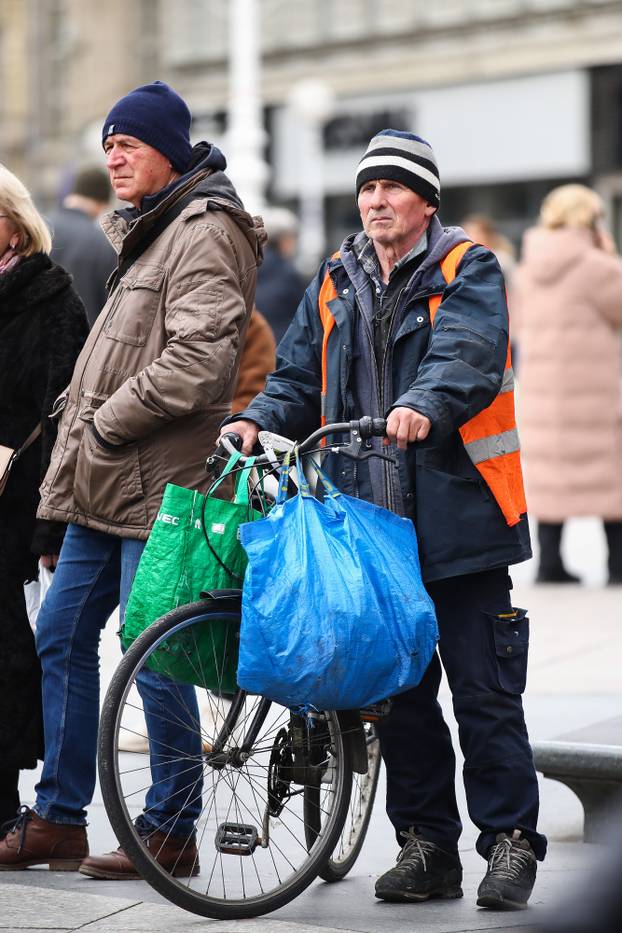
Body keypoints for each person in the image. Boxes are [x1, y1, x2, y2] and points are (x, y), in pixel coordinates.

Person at [221, 129, 546, 910]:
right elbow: (297, 371)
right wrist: (256, 418)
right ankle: (426, 844)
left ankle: (508, 843)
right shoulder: (336, 279)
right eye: (367, 189)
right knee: (400, 697)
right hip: (367, 524)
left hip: (460, 521)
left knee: (484, 693)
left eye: (392, 187)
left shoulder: (469, 267)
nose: (376, 201)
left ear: (425, 199)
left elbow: (466, 353)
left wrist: (419, 405)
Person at [0, 81, 264, 874]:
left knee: (152, 650)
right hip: (103, 482)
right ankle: (59, 814)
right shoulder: (152, 229)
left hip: (157, 478)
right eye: (109, 143)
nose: (115, 156)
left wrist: (107, 420)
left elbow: (200, 359)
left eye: (132, 144)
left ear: (171, 151)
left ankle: (173, 826)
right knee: (62, 635)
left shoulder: (206, 228)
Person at [0, 165, 88, 831]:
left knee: (9, 638)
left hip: (16, 494)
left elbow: (64, 413)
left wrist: (50, 523)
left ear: (13, 220)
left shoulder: (52, 296)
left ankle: (7, 795)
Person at [511, 184, 622, 585]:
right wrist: (607, 252)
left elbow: (518, 325)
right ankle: (617, 565)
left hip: (543, 392)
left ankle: (551, 563)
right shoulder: (597, 265)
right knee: (611, 477)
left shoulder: (529, 268)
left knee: (552, 476)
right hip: (591, 392)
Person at [48, 166, 116, 326]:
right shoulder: (103, 243)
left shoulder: (37, 229)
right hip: (83, 344)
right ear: (101, 202)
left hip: (31, 343)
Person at [254, 205, 306, 343]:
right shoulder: (288, 274)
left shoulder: (251, 267)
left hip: (254, 347)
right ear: (284, 240)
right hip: (284, 347)